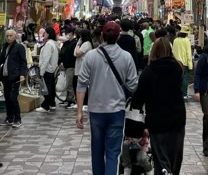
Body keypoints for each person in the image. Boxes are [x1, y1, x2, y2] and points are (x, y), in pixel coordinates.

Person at [76, 21, 138, 175]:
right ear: (118, 38)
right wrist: (121, 90)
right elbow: (133, 85)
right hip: (117, 110)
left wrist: (79, 111)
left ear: (102, 35)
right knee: (113, 153)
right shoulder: (126, 57)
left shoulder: (90, 56)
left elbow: (81, 84)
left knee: (97, 150)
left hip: (96, 110)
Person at [131, 38, 185, 175]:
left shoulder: (148, 72)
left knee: (161, 159)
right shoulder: (178, 68)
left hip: (157, 120)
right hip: (177, 118)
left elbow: (138, 98)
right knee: (175, 157)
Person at [36, 27, 59, 113]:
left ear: (48, 34)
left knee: (46, 89)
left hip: (47, 69)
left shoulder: (49, 44)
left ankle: (45, 106)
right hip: (52, 69)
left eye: (45, 33)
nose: (43, 34)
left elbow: (45, 59)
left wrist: (41, 72)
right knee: (51, 88)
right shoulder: (53, 43)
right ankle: (52, 104)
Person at [73, 29, 93, 110]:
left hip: (83, 68)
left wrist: (78, 45)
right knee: (77, 83)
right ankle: (80, 102)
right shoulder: (84, 44)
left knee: (81, 85)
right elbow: (75, 53)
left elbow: (77, 53)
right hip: (79, 67)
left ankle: (84, 103)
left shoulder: (86, 44)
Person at [172, 26, 193, 100]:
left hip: (176, 62)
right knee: (185, 78)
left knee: (177, 78)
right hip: (184, 63)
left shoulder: (175, 40)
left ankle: (176, 93)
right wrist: (190, 65)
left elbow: (173, 51)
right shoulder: (187, 40)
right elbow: (188, 53)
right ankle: (184, 94)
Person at [60, 26, 78, 109]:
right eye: (66, 33)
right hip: (66, 65)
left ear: (72, 34)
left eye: (69, 33)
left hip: (71, 66)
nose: (67, 35)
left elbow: (73, 55)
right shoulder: (66, 43)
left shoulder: (74, 43)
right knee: (67, 83)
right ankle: (67, 99)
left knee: (69, 84)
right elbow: (62, 52)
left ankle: (71, 100)